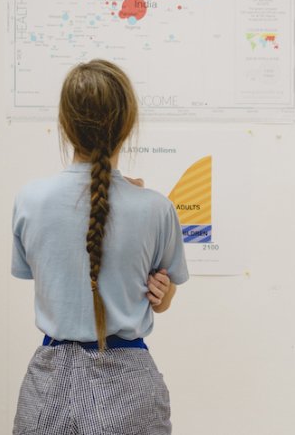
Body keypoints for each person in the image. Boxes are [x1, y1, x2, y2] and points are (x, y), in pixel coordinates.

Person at [11, 59, 189, 434]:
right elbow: (164, 298)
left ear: (64, 125)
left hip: (48, 385)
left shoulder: (30, 200)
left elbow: (47, 274)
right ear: (127, 126)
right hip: (129, 385)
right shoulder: (156, 209)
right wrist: (162, 293)